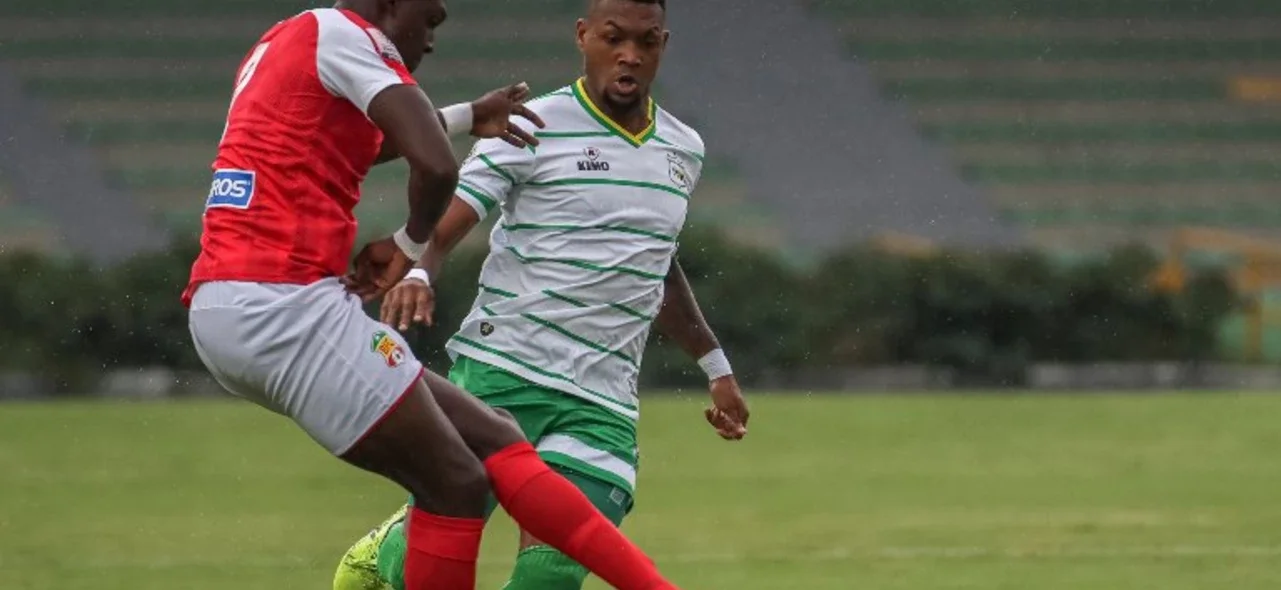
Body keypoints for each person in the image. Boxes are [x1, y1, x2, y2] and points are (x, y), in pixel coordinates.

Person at [182, 1, 682, 589]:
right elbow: (437, 165)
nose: (431, 39)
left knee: (497, 439)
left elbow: (355, 144)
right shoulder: (345, 35)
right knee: (456, 487)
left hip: (239, 299)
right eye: (431, 18)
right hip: (282, 306)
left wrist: (471, 114)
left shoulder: (293, 37)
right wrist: (410, 243)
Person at [331, 1, 750, 589]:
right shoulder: (531, 122)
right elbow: (459, 209)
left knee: (551, 578)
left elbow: (656, 263)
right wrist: (423, 268)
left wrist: (715, 365)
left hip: (603, 398)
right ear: (583, 37)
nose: (630, 55)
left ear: (663, 44)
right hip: (506, 369)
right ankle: (384, 555)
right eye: (614, 38)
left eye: (647, 42)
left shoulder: (684, 149)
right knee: (435, 543)